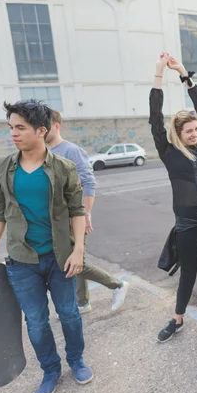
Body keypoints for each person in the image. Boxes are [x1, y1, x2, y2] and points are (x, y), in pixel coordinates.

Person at [0, 100, 93, 393]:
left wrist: (79, 249)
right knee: (37, 321)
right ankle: (50, 370)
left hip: (60, 257)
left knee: (69, 313)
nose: (13, 134)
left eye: (20, 128)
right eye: (11, 128)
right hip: (21, 260)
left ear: (42, 130)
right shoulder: (3, 168)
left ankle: (76, 360)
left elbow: (77, 211)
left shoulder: (64, 168)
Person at [150, 51, 197, 346]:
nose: (195, 133)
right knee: (188, 275)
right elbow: (155, 118)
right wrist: (158, 73)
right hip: (188, 225)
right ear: (178, 133)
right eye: (189, 131)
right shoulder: (168, 152)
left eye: (196, 130)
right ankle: (178, 319)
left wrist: (183, 74)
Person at [45, 109, 129, 314]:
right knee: (72, 261)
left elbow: (89, 182)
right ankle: (82, 302)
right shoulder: (45, 152)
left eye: (45, 125)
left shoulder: (71, 151)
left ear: (56, 125)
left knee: (75, 261)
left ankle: (117, 285)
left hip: (73, 216)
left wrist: (86, 214)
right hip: (57, 219)